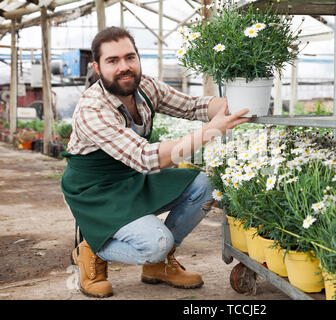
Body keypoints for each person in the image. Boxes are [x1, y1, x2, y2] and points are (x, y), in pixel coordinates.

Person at [61, 26, 249, 298]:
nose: (124, 67)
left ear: (138, 58)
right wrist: (211, 131)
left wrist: (243, 102)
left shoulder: (145, 87)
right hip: (95, 191)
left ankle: (157, 266)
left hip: (130, 178)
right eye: (113, 61)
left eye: (130, 57)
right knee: (155, 242)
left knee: (207, 185)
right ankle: (92, 246)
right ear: (97, 68)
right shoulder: (92, 108)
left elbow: (193, 106)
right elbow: (146, 158)